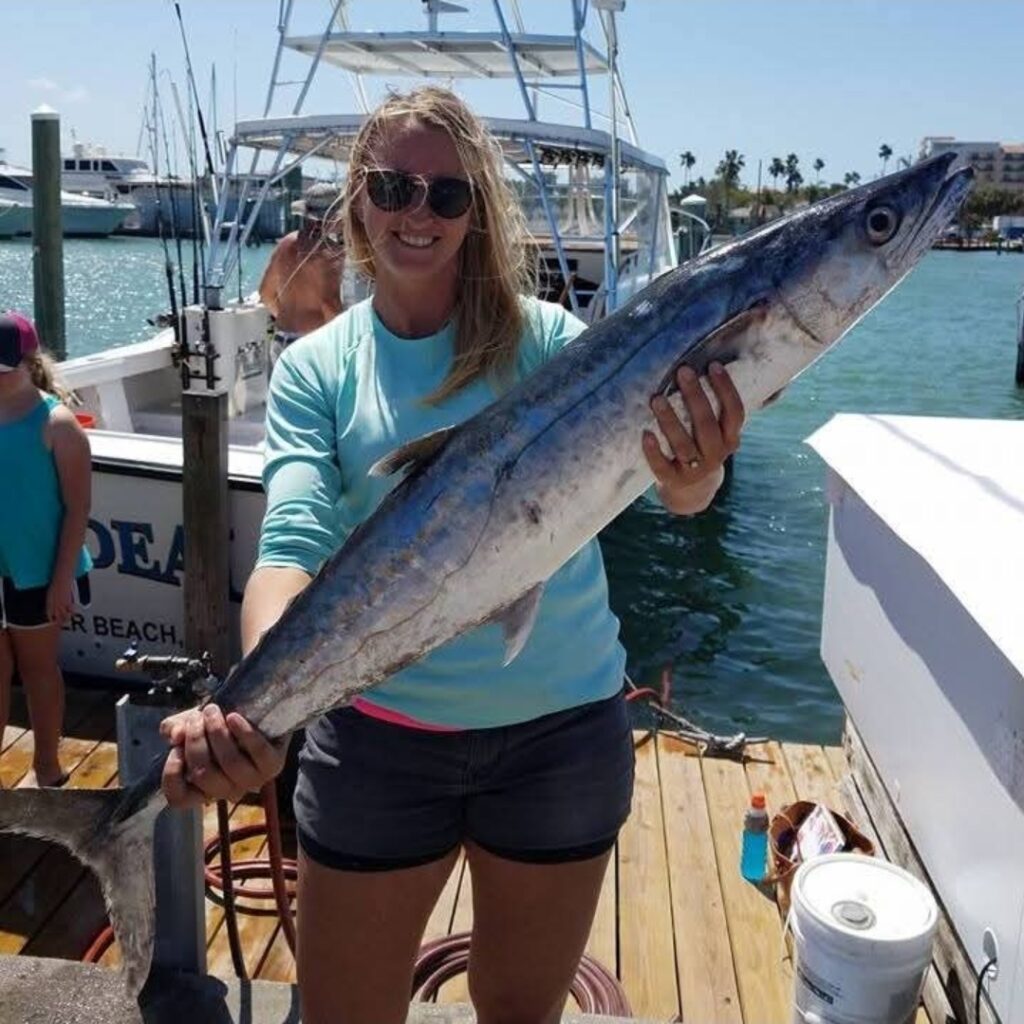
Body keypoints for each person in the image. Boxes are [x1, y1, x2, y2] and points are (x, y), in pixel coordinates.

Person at [160, 86, 745, 1024]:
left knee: (518, 1011)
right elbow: (291, 547)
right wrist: (254, 709)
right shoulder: (315, 369)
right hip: (378, 740)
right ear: (358, 199)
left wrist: (697, 472)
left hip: (561, 735)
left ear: (478, 211)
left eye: (447, 193)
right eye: (393, 187)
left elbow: (675, 494)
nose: (417, 213)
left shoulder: (553, 343)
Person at [0, 312, 92, 789]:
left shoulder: (57, 424)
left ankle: (47, 767)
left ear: (29, 362)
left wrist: (61, 580)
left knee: (37, 670)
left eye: (4, 368)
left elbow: (78, 510)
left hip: (38, 572)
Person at [258, 181, 346, 364]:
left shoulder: (285, 244)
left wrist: (289, 320)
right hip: (311, 346)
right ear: (331, 218)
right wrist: (345, 345)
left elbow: (265, 294)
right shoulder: (330, 253)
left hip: (281, 341)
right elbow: (330, 304)